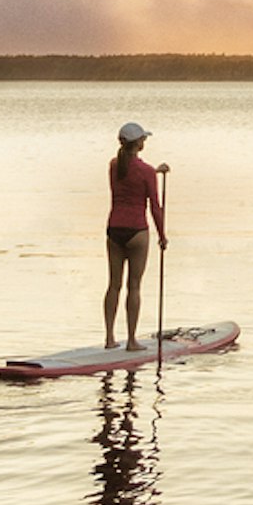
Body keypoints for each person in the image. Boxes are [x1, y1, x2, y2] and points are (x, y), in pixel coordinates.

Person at [103, 121, 170, 351]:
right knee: (134, 286)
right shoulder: (146, 172)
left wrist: (156, 172)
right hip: (136, 232)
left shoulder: (114, 165)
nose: (145, 142)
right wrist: (162, 236)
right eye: (143, 139)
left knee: (113, 285)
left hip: (114, 229)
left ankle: (110, 338)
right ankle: (131, 341)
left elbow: (130, 173)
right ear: (138, 144)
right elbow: (155, 208)